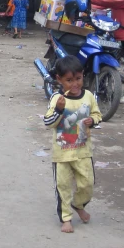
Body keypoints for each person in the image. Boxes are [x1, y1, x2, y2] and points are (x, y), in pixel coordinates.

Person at [44, 55, 101, 233]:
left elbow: (98, 115)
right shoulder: (57, 99)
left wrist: (93, 120)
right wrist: (59, 110)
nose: (75, 84)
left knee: (87, 184)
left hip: (83, 151)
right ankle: (66, 218)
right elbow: (48, 122)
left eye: (78, 78)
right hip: (62, 154)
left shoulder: (89, 96)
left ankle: (78, 204)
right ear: (59, 80)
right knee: (63, 187)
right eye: (69, 80)